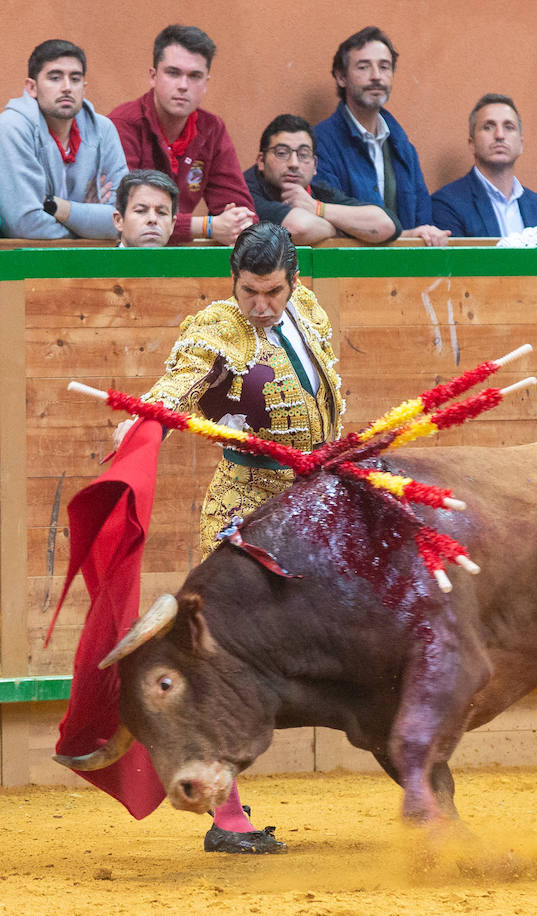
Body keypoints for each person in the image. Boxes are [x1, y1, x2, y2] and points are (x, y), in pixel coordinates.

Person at [122, 223, 343, 853]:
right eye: (250, 291)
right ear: (233, 280)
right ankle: (227, 815)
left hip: (311, 501)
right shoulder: (215, 328)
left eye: (273, 291)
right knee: (216, 658)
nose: (261, 306)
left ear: (293, 280)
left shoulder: (310, 310)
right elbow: (180, 387)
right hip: (244, 507)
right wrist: (148, 428)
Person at [108, 25, 256, 245]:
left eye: (195, 76)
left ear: (206, 83)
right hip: (126, 258)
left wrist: (237, 223)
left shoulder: (211, 128)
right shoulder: (124, 123)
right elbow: (124, 214)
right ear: (153, 76)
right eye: (173, 73)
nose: (183, 86)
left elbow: (244, 212)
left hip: (180, 256)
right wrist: (208, 226)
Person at [314, 26, 449, 246]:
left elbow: (422, 220)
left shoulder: (403, 147)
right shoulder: (319, 143)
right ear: (341, 77)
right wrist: (404, 235)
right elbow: (330, 224)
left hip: (404, 271)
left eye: (384, 67)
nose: (376, 76)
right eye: (364, 67)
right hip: (346, 271)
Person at [0, 39, 128, 240]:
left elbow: (123, 221)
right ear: (31, 88)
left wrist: (58, 207)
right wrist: (89, 221)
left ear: (84, 88)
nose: (67, 87)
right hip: (23, 263)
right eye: (55, 78)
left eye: (75, 79)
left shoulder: (103, 130)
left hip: (92, 265)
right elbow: (24, 225)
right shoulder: (11, 128)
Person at [244, 114, 399, 245]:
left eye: (303, 155)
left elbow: (387, 225)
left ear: (315, 165)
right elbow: (298, 228)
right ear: (261, 161)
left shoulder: (319, 193)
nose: (293, 164)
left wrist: (317, 208)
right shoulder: (244, 189)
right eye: (281, 153)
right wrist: (344, 229)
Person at [431, 94, 537, 238]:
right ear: (472, 144)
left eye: (509, 127)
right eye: (488, 127)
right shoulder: (447, 203)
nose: (500, 135)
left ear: (521, 144)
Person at [112, 169, 178, 248]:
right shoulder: (100, 260)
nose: (153, 219)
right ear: (119, 220)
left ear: (172, 225)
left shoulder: (185, 261)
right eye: (140, 211)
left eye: (161, 213)